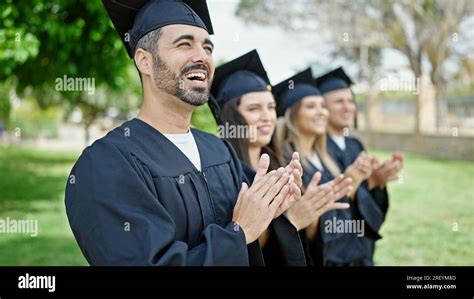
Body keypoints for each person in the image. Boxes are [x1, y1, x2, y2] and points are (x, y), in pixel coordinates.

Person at [65, 0, 301, 266]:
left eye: (207, 47)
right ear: (145, 61)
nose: (202, 56)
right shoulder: (106, 164)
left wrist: (272, 213)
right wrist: (238, 232)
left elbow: (260, 246)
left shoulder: (219, 151)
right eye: (184, 44)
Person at [211, 53, 352, 266]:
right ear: (230, 116)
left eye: (270, 107)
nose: (267, 116)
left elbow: (306, 249)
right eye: (253, 108)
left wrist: (311, 217)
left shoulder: (283, 167)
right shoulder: (219, 176)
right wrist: (290, 221)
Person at [315, 67, 404, 265]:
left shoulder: (355, 145)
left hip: (362, 250)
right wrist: (367, 181)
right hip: (334, 255)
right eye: (339, 102)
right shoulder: (316, 149)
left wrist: (377, 180)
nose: (348, 107)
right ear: (323, 108)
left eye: (350, 100)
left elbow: (367, 203)